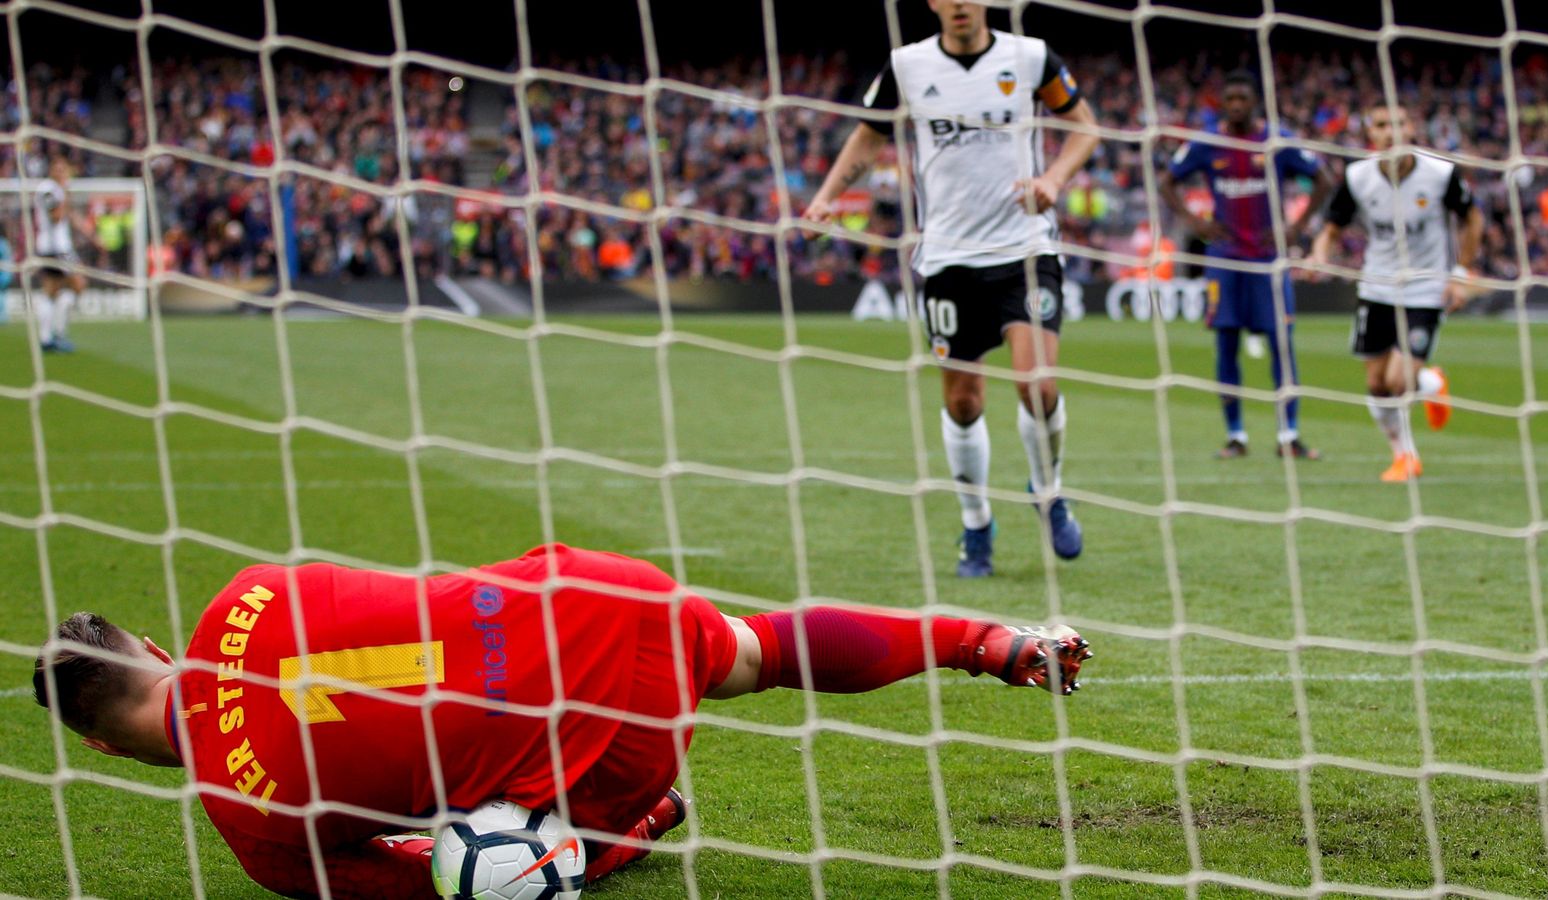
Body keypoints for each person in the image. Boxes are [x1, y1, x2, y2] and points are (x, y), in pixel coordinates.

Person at [34, 543, 1092, 899]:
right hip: (575, 590)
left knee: (499, 865)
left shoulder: (255, 836)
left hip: (605, 743)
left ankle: (646, 820)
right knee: (755, 650)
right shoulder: (245, 591)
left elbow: (422, 875)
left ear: (99, 747)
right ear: (156, 649)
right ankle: (983, 642)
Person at [803, 0, 1101, 578]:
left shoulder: (1031, 57)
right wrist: (827, 195)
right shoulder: (908, 66)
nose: (960, 3)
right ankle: (976, 524)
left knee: (1037, 384)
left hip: (1025, 249)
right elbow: (868, 138)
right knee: (963, 402)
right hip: (948, 258)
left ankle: (1049, 491)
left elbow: (1085, 126)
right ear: (934, 4)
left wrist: (1053, 179)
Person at [1157, 70, 1335, 460]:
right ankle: (1235, 435)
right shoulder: (1206, 143)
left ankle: (1289, 436)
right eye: (1230, 98)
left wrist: (1297, 227)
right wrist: (1195, 221)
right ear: (1222, 104)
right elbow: (1167, 181)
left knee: (1282, 347)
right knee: (1226, 345)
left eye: (1243, 98)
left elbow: (1322, 178)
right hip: (1225, 259)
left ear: (1255, 102)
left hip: (1269, 261)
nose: (1237, 105)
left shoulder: (1277, 142)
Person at [1311, 103, 1484, 482]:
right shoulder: (1357, 177)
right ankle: (1405, 454)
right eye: (1381, 125)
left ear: (1412, 128)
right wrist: (1319, 255)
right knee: (1376, 383)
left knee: (1398, 381)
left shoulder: (1440, 174)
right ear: (1370, 134)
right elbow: (1332, 228)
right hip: (1376, 286)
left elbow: (1472, 218)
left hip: (1425, 288)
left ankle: (1426, 388)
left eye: (1399, 123)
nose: (1391, 131)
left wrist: (1458, 273)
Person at [31, 157, 87, 353]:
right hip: (56, 248)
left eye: (65, 169)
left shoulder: (53, 189)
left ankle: (49, 338)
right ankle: (56, 334)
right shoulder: (48, 189)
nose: (63, 173)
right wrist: (64, 191)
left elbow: (67, 217)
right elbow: (56, 217)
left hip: (53, 247)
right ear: (52, 170)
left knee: (52, 290)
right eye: (59, 169)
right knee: (78, 284)